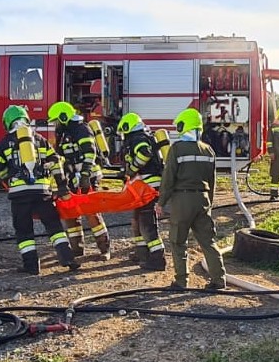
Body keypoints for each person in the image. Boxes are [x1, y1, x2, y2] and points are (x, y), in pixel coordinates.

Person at [0, 105, 80, 275]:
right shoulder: (40, 139)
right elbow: (55, 162)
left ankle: (31, 266)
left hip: (19, 195)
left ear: (8, 122)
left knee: (24, 230)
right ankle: (68, 258)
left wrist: (8, 178)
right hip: (42, 191)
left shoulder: (5, 142)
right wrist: (61, 186)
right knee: (54, 226)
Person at [157, 108, 226, 289]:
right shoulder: (208, 150)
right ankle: (219, 280)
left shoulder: (177, 149)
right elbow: (212, 180)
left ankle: (182, 281)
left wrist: (161, 202)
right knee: (207, 241)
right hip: (202, 199)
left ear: (184, 125)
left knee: (178, 241)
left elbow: (168, 178)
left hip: (182, 200)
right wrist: (209, 203)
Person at [47, 101, 111, 261]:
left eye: (57, 120)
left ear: (64, 116)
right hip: (71, 177)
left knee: (91, 213)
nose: (56, 123)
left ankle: (104, 249)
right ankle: (77, 249)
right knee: (70, 213)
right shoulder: (64, 132)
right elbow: (61, 156)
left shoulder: (81, 129)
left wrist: (85, 176)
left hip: (87, 177)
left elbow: (90, 153)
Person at [117, 112, 166, 272]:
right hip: (144, 186)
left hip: (149, 186)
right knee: (137, 219)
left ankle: (158, 259)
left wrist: (131, 169)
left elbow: (145, 153)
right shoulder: (141, 136)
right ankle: (142, 253)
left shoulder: (138, 138)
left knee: (146, 221)